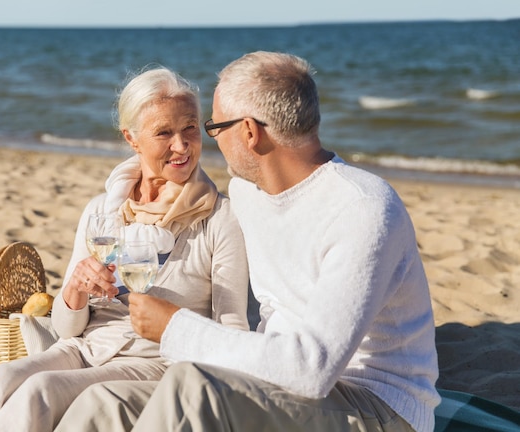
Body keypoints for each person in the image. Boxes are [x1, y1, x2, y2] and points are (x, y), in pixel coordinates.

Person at [56, 51, 441, 432]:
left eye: (213, 128)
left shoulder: (363, 207)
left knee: (190, 387)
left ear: (249, 132)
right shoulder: (248, 195)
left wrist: (174, 327)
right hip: (274, 382)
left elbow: (312, 370)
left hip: (373, 405)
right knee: (104, 402)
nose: (208, 141)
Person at [0, 67, 250, 432]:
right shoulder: (102, 211)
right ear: (132, 139)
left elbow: (232, 327)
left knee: (41, 389)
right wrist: (74, 291)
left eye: (190, 128)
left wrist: (171, 326)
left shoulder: (219, 218)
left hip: (156, 360)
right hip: (84, 348)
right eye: (164, 133)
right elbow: (66, 329)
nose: (182, 146)